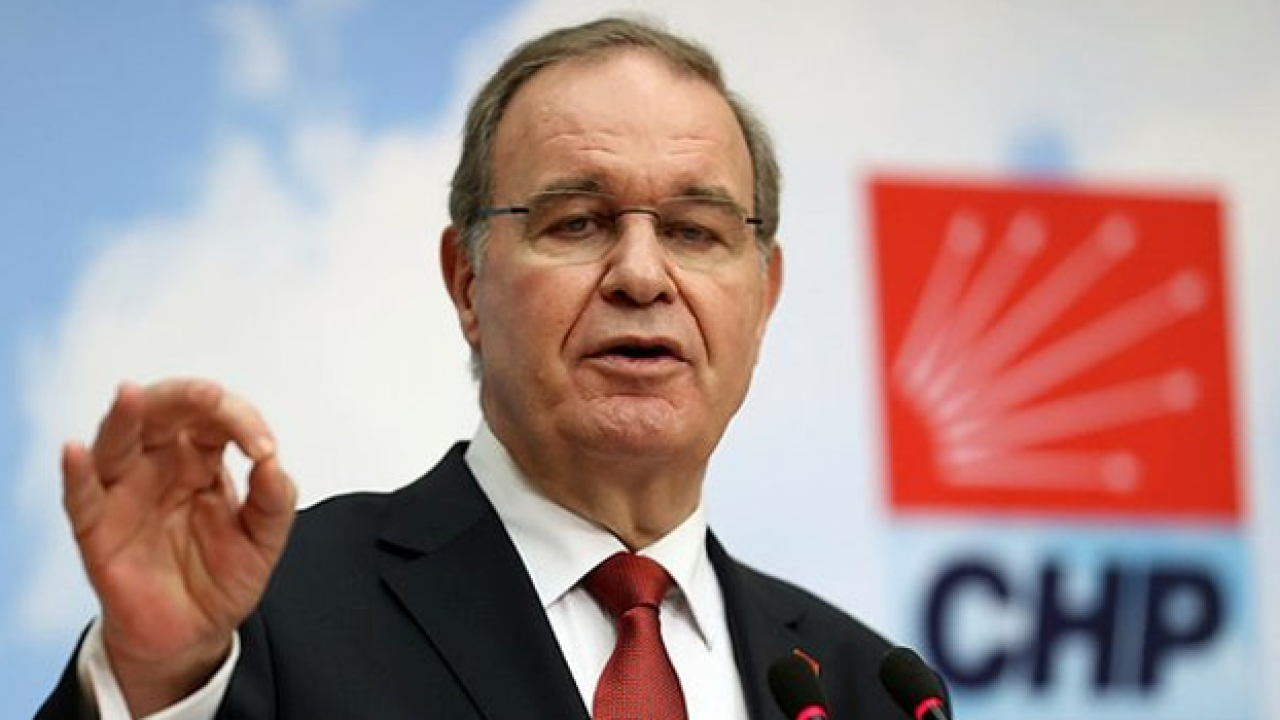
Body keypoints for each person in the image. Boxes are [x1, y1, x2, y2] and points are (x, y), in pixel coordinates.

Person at [38, 16, 908, 720]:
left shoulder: (867, 688)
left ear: (765, 294)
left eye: (693, 232)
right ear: (467, 282)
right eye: (577, 222)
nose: (642, 276)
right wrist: (154, 682)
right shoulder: (265, 615)